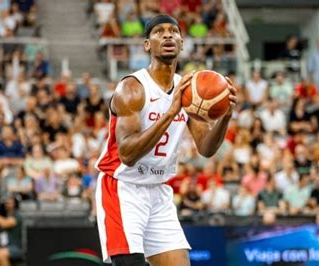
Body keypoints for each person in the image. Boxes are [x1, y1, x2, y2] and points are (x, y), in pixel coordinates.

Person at [94, 15, 237, 266]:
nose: (168, 35)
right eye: (159, 32)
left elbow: (206, 149)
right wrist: (171, 113)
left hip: (158, 189)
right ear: (147, 44)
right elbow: (127, 153)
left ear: (182, 44)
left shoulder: (190, 89)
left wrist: (225, 116)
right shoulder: (132, 88)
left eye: (174, 31)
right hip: (123, 186)